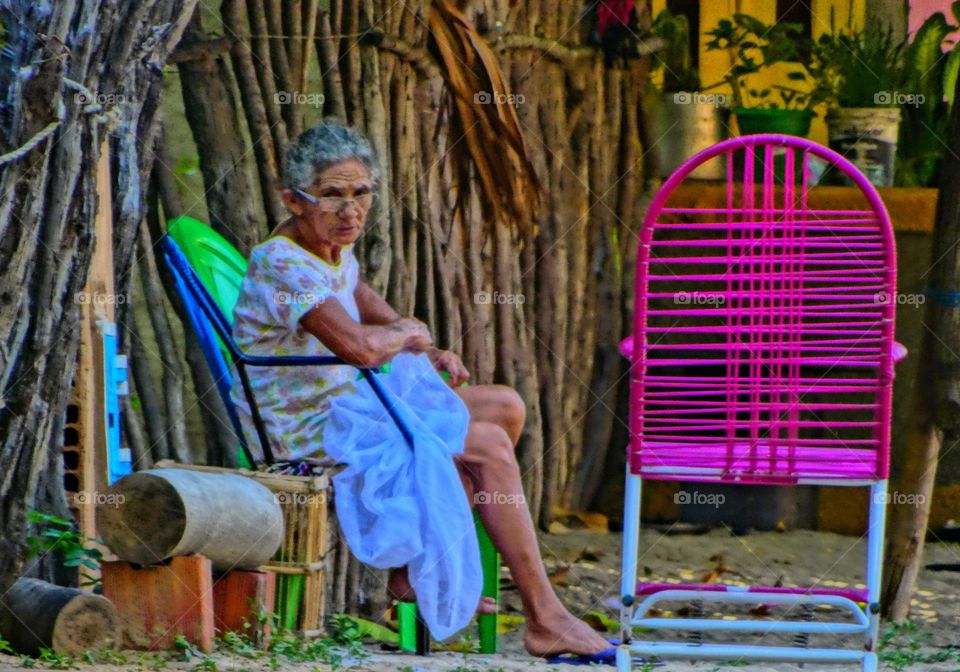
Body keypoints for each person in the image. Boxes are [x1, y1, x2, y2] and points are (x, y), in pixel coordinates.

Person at [230, 121, 611, 658]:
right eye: (332, 196)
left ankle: (424, 560)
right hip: (313, 431)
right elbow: (359, 349)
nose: (350, 211)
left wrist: (423, 351)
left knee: (504, 405)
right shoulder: (283, 261)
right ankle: (545, 616)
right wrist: (404, 334)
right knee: (490, 447)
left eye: (361, 193)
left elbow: (359, 295)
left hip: (354, 407)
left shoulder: (329, 250)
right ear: (294, 201)